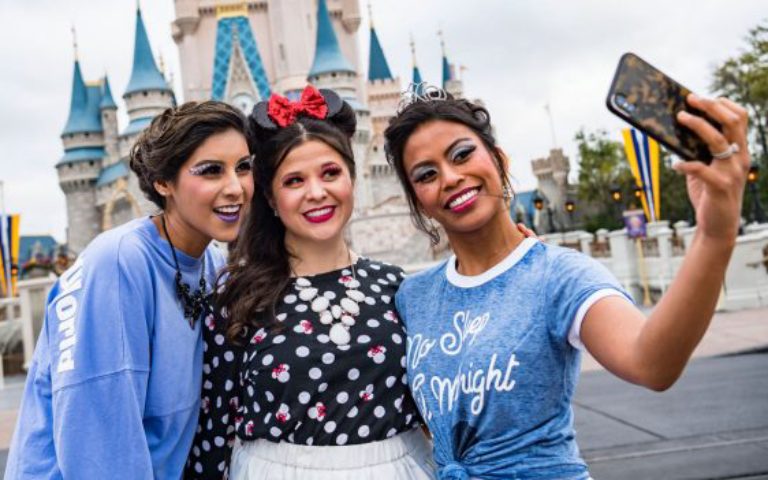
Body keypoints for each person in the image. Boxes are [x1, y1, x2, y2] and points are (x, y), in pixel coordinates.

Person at [383, 85, 750, 480]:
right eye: (426, 174)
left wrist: (714, 235)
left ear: (499, 159)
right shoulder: (413, 296)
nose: (451, 177)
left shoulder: (559, 276)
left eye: (462, 154)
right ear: (418, 201)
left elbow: (652, 364)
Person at [186, 85, 436, 480]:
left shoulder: (397, 288)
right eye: (294, 181)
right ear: (269, 197)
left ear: (352, 178)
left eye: (330, 173)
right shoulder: (237, 299)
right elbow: (212, 433)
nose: (317, 193)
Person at [5, 101, 254, 479]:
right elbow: (98, 445)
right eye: (211, 171)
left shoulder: (213, 263)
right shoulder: (119, 264)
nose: (235, 187)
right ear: (163, 182)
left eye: (243, 167)